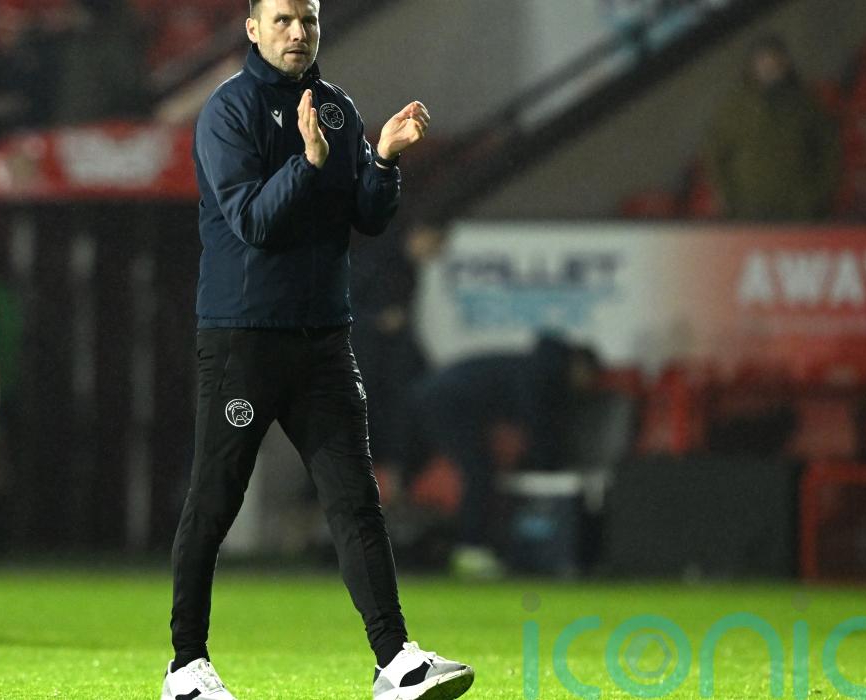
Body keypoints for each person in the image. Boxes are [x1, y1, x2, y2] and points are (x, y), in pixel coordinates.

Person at [163, 3, 474, 700]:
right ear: (252, 28)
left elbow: (368, 216)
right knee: (215, 499)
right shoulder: (228, 111)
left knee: (356, 500)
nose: (298, 32)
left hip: (324, 340)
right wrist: (307, 164)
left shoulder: (335, 107)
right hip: (244, 338)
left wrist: (384, 159)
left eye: (307, 19)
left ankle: (394, 661)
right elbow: (252, 221)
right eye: (282, 20)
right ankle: (185, 667)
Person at [403, 337, 601, 580]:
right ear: (578, 364)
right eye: (588, 375)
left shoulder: (534, 367)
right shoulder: (539, 376)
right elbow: (537, 427)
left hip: (434, 397)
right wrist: (549, 467)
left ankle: (457, 545)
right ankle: (469, 549)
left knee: (474, 470)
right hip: (444, 402)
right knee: (478, 473)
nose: (587, 384)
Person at [705, 35, 841, 221]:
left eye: (774, 61)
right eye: (763, 61)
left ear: (786, 63)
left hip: (799, 212)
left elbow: (829, 151)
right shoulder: (733, 108)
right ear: (752, 65)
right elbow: (714, 155)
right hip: (749, 213)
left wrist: (816, 196)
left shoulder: (807, 105)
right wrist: (728, 198)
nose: (769, 67)